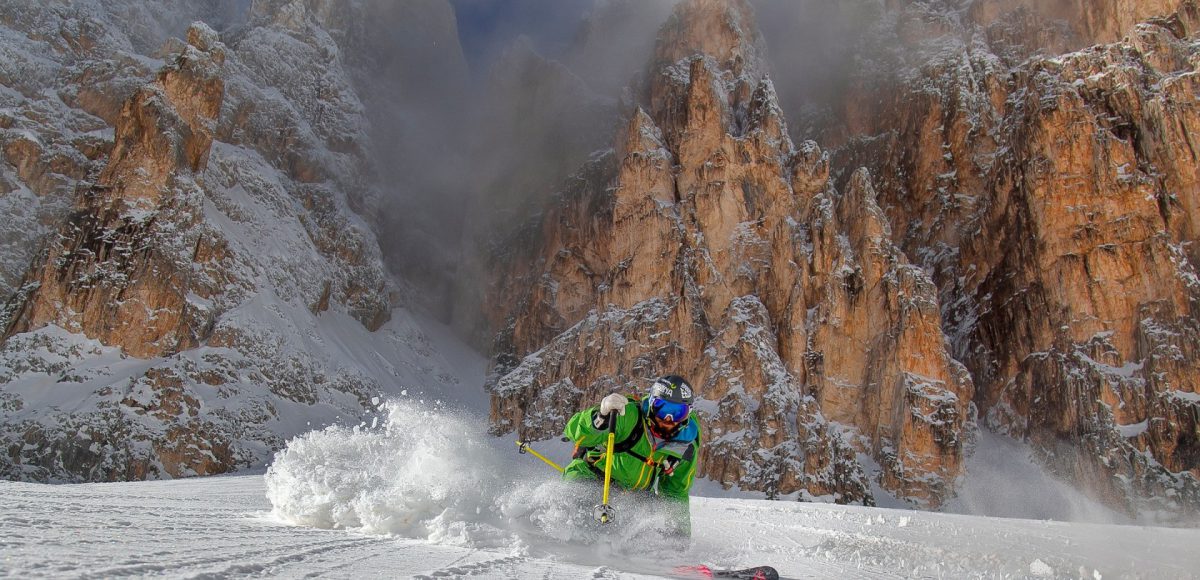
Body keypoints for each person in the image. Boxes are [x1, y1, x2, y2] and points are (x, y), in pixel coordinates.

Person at [561, 375, 702, 536]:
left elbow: (675, 492)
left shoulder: (685, 445)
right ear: (650, 404)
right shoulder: (627, 415)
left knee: (651, 528)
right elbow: (574, 433)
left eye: (678, 412)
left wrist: (680, 537)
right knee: (572, 514)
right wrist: (601, 418)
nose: (668, 419)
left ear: (688, 414)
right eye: (661, 408)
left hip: (633, 499)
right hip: (592, 480)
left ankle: (652, 555)